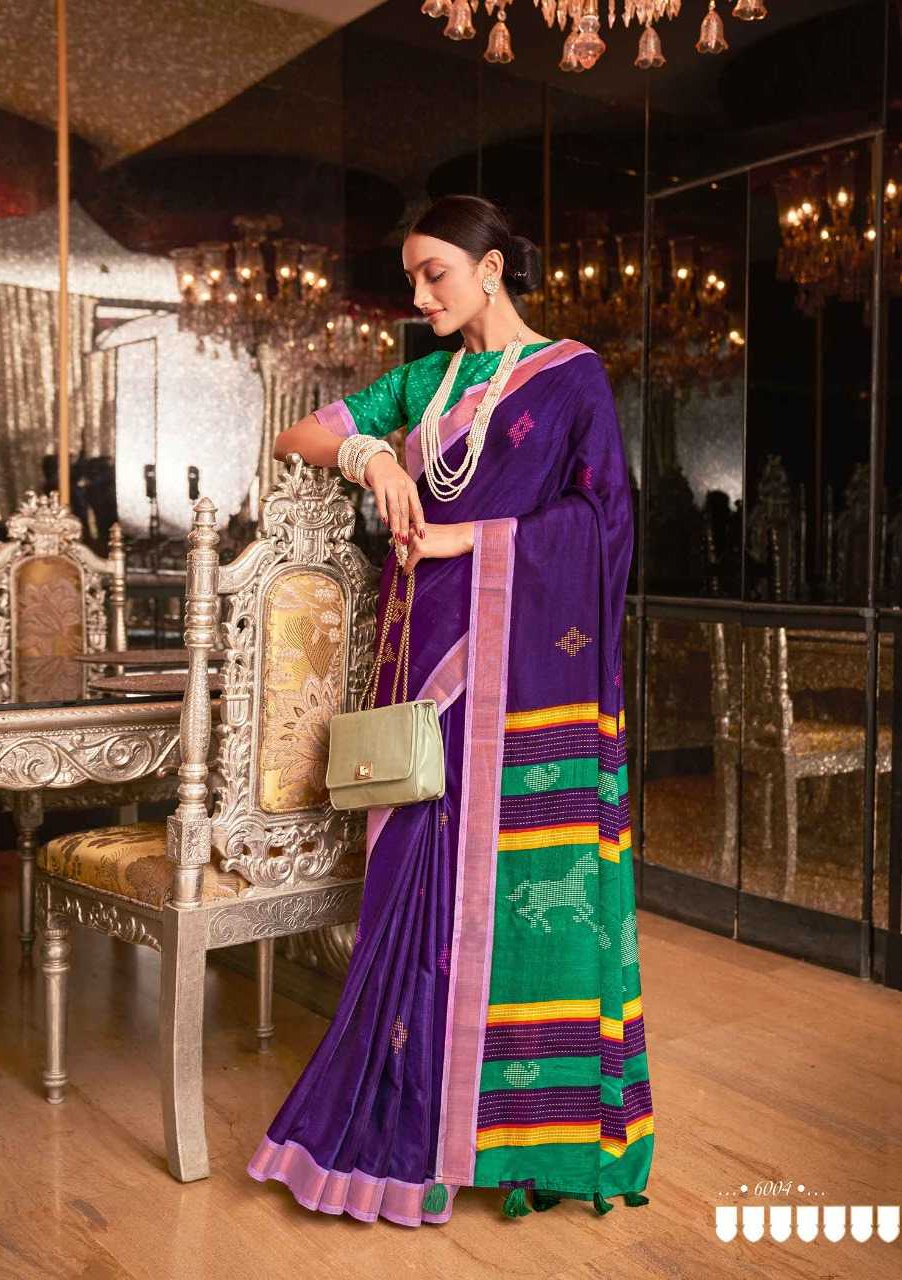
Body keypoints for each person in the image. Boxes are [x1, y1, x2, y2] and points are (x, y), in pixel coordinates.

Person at [247, 194, 655, 1227]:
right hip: (418, 656)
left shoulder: (569, 374)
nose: (421, 294)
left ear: (490, 268)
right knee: (413, 878)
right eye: (412, 278)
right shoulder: (421, 383)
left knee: (528, 879)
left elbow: (602, 519)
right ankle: (419, 1113)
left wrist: (469, 538)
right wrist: (374, 455)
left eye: (435, 273)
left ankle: (528, 1133)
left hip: (522, 661)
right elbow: (300, 433)